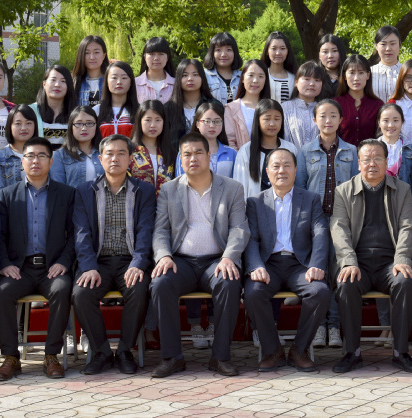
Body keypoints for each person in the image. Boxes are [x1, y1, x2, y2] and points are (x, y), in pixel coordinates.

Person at [149, 132, 249, 378]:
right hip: (180, 261)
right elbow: (160, 230)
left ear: (209, 156)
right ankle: (172, 357)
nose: (193, 158)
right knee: (160, 283)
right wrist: (163, 256)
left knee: (229, 282)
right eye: (187, 154)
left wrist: (229, 257)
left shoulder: (232, 188)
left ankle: (220, 357)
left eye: (198, 153)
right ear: (180, 159)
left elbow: (239, 228)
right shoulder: (169, 190)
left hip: (216, 260)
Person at [330, 140, 412, 374]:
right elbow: (339, 229)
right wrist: (348, 261)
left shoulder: (402, 189)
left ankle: (401, 353)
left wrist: (402, 258)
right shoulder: (343, 191)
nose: (372, 164)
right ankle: (352, 353)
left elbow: (408, 226)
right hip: (358, 263)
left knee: (405, 282)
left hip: (389, 263)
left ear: (387, 161)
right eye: (367, 159)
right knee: (346, 283)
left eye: (378, 158)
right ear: (358, 163)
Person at [0, 137, 75, 381]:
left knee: (62, 289)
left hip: (53, 267)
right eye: (29, 156)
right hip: (20, 268)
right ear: (22, 162)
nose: (35, 161)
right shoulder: (7, 195)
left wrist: (64, 262)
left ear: (51, 161)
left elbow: (76, 235)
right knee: (2, 292)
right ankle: (11, 357)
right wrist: (5, 264)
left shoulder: (66, 194)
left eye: (41, 156)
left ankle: (51, 355)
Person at [72, 135, 155, 375]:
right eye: (109, 153)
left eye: (121, 153)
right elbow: (81, 233)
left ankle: (126, 351)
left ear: (130, 159)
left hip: (130, 261)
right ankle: (102, 352)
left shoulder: (144, 191)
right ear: (100, 158)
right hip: (98, 262)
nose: (115, 158)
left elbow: (146, 231)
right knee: (81, 293)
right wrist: (88, 266)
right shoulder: (85, 191)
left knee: (139, 289)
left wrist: (138, 263)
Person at [244, 148, 330, 372]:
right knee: (252, 293)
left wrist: (316, 263)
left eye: (287, 165)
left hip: (299, 265)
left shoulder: (310, 199)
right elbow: (251, 238)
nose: (281, 170)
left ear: (295, 170)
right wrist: (256, 266)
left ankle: (299, 350)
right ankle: (272, 350)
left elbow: (320, 232)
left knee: (319, 291)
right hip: (269, 264)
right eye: (276, 166)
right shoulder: (255, 202)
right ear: (267, 172)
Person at [294, 98, 356, 349]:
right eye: (322, 116)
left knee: (337, 273)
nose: (328, 120)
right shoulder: (305, 151)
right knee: (318, 273)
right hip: (315, 221)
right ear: (314, 120)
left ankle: (334, 326)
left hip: (342, 221)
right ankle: (319, 327)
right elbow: (299, 188)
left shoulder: (352, 151)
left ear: (341, 120)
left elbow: (356, 188)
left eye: (333, 115)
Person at [232, 99, 298, 198]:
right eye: (267, 119)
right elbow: (239, 186)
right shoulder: (246, 151)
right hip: (254, 206)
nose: (272, 123)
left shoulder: (290, 149)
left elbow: (296, 182)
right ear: (258, 120)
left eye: (277, 119)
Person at [377, 104, 412, 215]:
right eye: (385, 120)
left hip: (403, 209)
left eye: (395, 120)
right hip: (376, 208)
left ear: (402, 122)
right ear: (379, 122)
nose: (391, 125)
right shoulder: (369, 150)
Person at [164, 57, 217, 147]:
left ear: (202, 78)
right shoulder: (168, 108)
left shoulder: (214, 105)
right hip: (175, 155)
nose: (190, 79)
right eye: (185, 75)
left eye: (195, 74)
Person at [50, 106, 105, 189]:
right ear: (71, 127)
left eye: (89, 123)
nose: (84, 128)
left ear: (96, 126)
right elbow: (58, 189)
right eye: (78, 123)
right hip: (72, 198)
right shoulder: (60, 155)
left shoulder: (105, 152)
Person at [334, 53, 384, 145]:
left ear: (368, 75)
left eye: (361, 73)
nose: (356, 78)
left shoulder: (378, 105)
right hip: (341, 153)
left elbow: (381, 137)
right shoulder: (335, 104)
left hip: (371, 153)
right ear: (345, 76)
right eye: (352, 73)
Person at [129, 100, 176, 195]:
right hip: (137, 203)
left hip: (165, 203)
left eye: (158, 120)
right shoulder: (129, 150)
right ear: (139, 121)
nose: (153, 125)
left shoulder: (171, 152)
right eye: (148, 120)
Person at [0, 104, 38, 195]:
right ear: (10, 126)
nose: (23, 128)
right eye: (18, 124)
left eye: (28, 123)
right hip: (10, 204)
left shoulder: (43, 154)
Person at [224, 59, 271, 151]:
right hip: (240, 158)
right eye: (251, 75)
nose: (255, 80)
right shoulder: (231, 108)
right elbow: (230, 141)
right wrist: (243, 158)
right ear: (242, 78)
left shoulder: (272, 107)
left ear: (265, 80)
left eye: (261, 76)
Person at [283, 60, 329, 149]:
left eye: (317, 80)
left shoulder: (326, 109)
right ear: (296, 82)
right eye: (307, 79)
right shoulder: (284, 108)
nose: (312, 84)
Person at [30, 65, 78, 147]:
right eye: (53, 80)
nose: (57, 85)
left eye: (63, 81)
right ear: (44, 84)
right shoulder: (31, 111)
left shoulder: (76, 113)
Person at [94, 61, 139, 138]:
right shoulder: (97, 110)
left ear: (131, 82)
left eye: (124, 78)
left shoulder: (139, 110)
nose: (119, 82)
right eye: (114, 78)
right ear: (107, 82)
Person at [202, 31, 244, 105]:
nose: (223, 54)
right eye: (218, 50)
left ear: (235, 52)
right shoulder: (204, 76)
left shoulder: (243, 77)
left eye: (229, 50)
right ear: (212, 53)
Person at [135, 36, 176, 104]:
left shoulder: (176, 85)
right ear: (145, 57)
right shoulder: (135, 84)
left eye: (161, 54)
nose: (156, 58)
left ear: (167, 57)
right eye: (151, 54)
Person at [261, 31, 299, 104]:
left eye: (282, 48)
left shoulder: (294, 78)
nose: (278, 53)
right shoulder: (261, 76)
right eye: (274, 48)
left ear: (288, 51)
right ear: (267, 51)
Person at [72, 35, 109, 108]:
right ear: (81, 55)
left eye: (96, 52)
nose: (92, 57)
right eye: (87, 53)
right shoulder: (74, 82)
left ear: (104, 55)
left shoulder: (111, 81)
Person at [370, 25, 403, 102]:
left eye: (392, 44)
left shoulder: (407, 72)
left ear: (399, 45)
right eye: (383, 44)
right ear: (376, 46)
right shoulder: (368, 73)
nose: (388, 48)